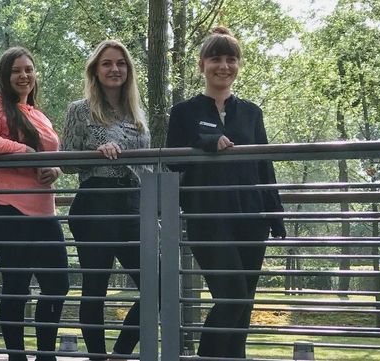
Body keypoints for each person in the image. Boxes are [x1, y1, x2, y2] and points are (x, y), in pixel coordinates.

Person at [166, 26, 286, 359]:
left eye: (231, 59)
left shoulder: (251, 112)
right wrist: (204, 143)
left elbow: (264, 166)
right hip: (207, 218)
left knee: (243, 304)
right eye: (216, 59)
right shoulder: (184, 112)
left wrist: (275, 216)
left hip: (251, 217)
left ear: (238, 65)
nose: (224, 66)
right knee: (231, 297)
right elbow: (171, 164)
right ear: (201, 64)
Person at [0, 47, 68, 361]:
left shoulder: (38, 114)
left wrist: (54, 169)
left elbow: (54, 157)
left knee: (58, 284)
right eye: (16, 70)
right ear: (5, 75)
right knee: (17, 284)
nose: (24, 75)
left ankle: (45, 354)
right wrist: (27, 152)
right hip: (6, 207)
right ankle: (17, 356)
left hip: (44, 211)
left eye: (28, 69)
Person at [61, 40, 151, 361]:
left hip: (132, 202)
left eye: (121, 64)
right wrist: (93, 153)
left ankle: (120, 353)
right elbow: (66, 160)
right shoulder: (79, 110)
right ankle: (97, 357)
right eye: (107, 64)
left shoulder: (136, 113)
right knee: (95, 288)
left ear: (128, 70)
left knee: (155, 284)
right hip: (95, 201)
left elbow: (145, 163)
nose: (115, 69)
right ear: (96, 71)